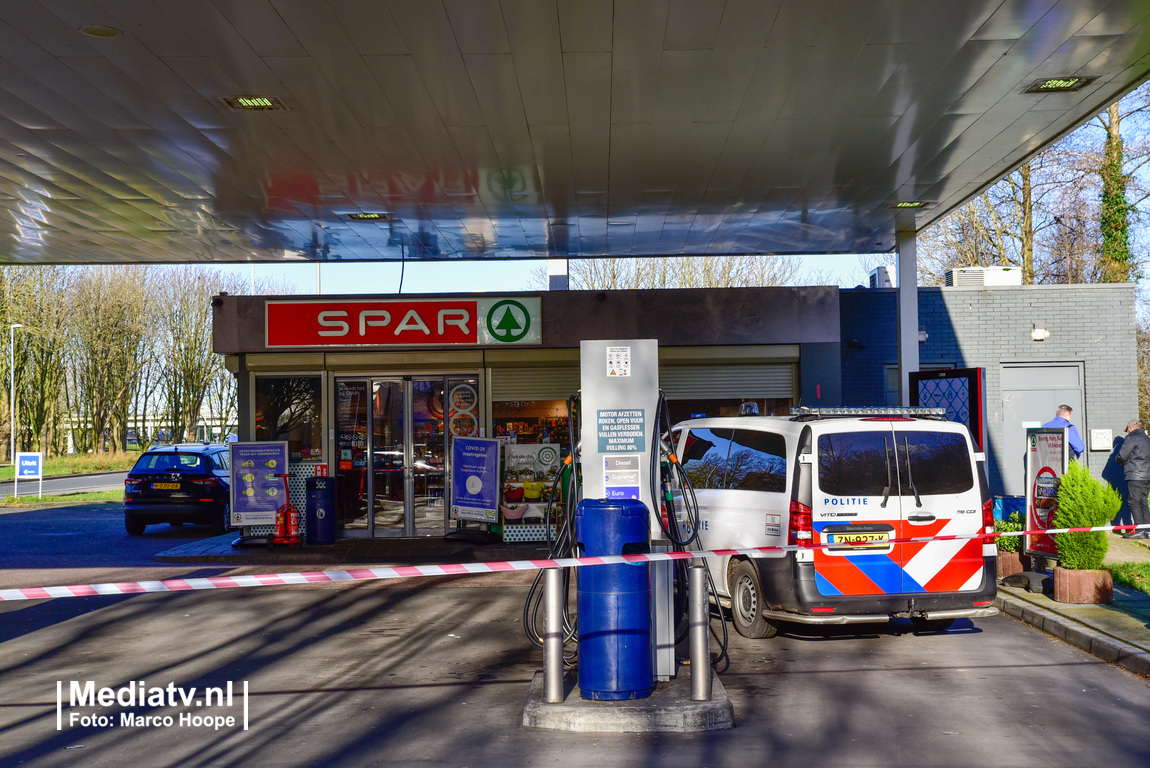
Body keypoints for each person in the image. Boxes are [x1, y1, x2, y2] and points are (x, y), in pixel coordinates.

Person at [1117, 419, 1150, 538]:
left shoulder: (1131, 437)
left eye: (1127, 430)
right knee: (1143, 502)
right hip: (1147, 475)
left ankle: (1139, 531)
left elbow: (1122, 456)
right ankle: (1147, 530)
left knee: (1133, 502)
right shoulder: (1147, 439)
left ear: (1130, 428)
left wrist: (1119, 460)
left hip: (1136, 475)